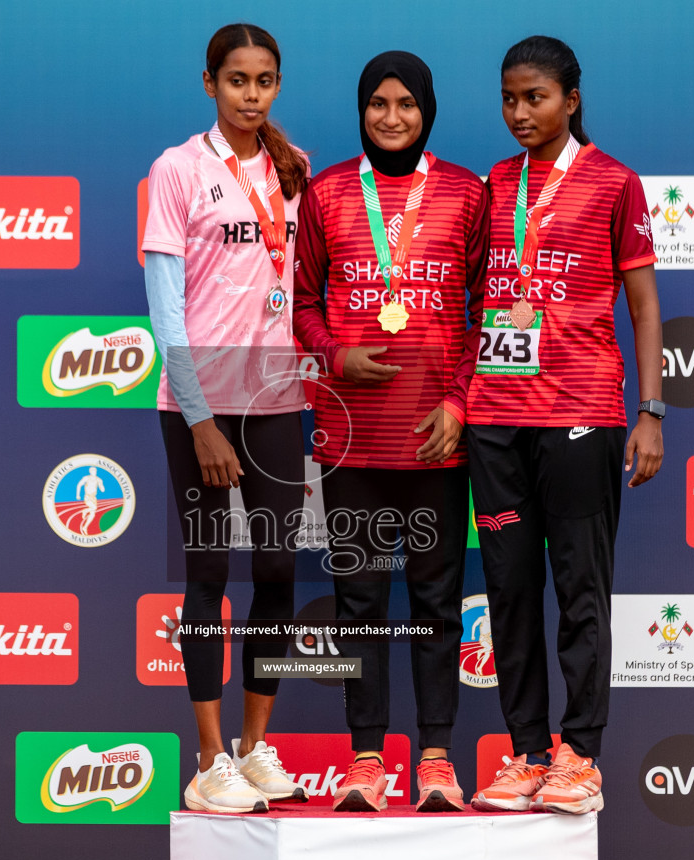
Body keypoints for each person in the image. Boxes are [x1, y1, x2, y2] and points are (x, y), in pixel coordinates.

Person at [467, 36, 665, 815]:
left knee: (581, 590)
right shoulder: (493, 183)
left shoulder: (614, 183)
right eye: (510, 99)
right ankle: (525, 753)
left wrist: (650, 412)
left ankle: (580, 755)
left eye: (536, 98)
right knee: (510, 589)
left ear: (571, 100)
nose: (521, 113)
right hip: (495, 419)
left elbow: (644, 307)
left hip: (581, 412)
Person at [293, 52, 490, 813]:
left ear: (427, 110)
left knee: (438, 600)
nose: (392, 117)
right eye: (377, 103)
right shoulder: (330, 192)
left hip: (436, 435)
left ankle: (436, 758)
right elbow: (302, 299)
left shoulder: (466, 194)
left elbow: (491, 308)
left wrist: (462, 405)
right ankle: (368, 760)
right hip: (350, 438)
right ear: (361, 109)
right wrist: (336, 352)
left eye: (406, 103)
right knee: (360, 602)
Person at [142, 23, 312, 813]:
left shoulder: (293, 168)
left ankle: (255, 748)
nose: (252, 94)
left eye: (265, 80)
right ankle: (209, 760)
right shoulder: (177, 169)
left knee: (277, 570)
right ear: (208, 82)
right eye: (237, 80)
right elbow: (166, 309)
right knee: (209, 573)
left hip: (279, 397)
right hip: (200, 408)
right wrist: (202, 419)